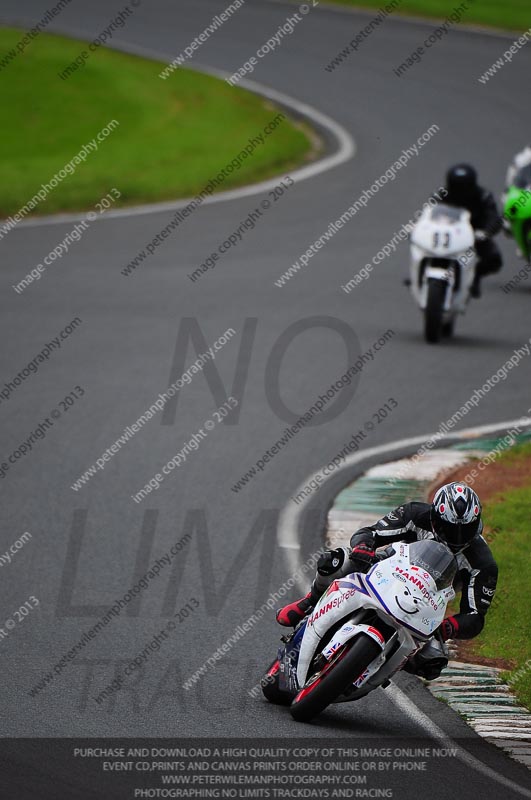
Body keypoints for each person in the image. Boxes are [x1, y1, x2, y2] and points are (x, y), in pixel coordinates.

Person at [276, 482, 498, 680]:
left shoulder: (483, 563)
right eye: (449, 529)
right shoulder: (414, 514)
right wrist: (364, 547)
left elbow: (475, 616)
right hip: (390, 569)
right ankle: (309, 601)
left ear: (476, 525)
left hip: (427, 605)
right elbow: (371, 532)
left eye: (464, 531)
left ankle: (383, 664)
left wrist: (448, 628)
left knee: (433, 661)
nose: (456, 538)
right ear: (434, 518)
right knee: (335, 561)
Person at [444, 164, 503, 298]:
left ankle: (474, 277)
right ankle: (420, 276)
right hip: (447, 233)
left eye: (463, 187)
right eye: (456, 186)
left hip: (474, 235)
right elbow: (427, 212)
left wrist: (486, 232)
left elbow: (494, 218)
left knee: (494, 260)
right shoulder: (441, 194)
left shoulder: (484, 196)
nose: (460, 191)